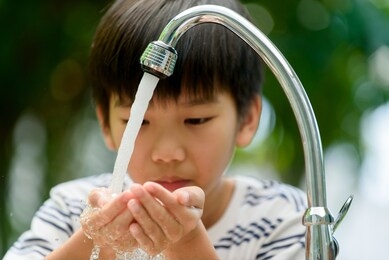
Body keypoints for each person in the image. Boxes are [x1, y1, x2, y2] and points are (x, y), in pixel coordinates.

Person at [4, 0, 307, 259]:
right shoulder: (72, 209)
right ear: (105, 124)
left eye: (196, 120)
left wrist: (187, 244)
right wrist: (94, 242)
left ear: (248, 119)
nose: (167, 153)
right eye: (139, 121)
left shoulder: (280, 216)